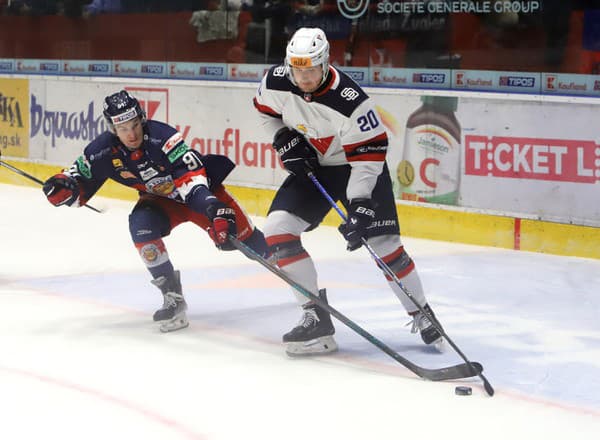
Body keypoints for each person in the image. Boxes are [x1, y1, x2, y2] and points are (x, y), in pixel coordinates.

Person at [253, 27, 444, 356]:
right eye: (299, 70)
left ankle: (421, 312)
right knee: (276, 230)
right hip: (316, 165)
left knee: (383, 244)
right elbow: (265, 112)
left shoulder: (351, 102)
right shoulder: (275, 82)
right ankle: (316, 316)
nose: (305, 78)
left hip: (358, 166)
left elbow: (368, 161)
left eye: (311, 70)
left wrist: (360, 205)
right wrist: (282, 138)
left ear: (326, 63)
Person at [43, 90, 268, 332]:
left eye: (135, 125)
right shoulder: (101, 152)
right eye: (123, 129)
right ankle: (172, 296)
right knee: (141, 226)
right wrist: (62, 187)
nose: (131, 134)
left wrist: (214, 209)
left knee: (253, 247)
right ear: (113, 129)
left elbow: (191, 181)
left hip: (198, 197)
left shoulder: (164, 137)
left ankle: (298, 278)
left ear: (141, 119)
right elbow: (75, 181)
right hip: (160, 201)